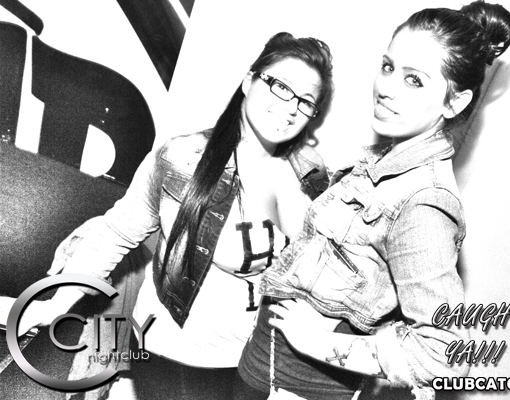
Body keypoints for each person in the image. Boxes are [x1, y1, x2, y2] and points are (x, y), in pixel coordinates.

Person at [0, 32, 333, 400]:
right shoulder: (181, 159)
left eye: (306, 101)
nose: (290, 107)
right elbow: (117, 231)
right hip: (173, 356)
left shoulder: (311, 178)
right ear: (249, 81)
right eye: (281, 86)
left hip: (250, 367)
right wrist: (59, 302)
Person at [237, 2, 510, 399]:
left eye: (414, 80)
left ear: (455, 102)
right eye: (388, 67)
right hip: (266, 362)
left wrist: (317, 342)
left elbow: (446, 354)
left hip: (300, 386)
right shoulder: (386, 162)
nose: (386, 88)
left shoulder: (425, 203)